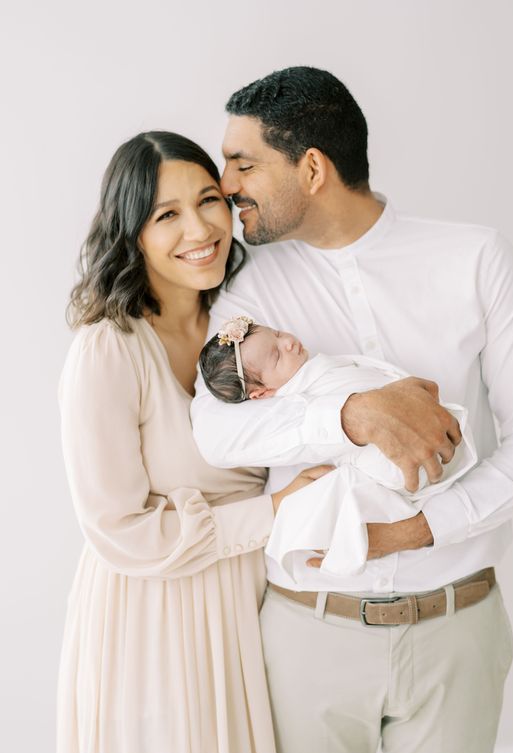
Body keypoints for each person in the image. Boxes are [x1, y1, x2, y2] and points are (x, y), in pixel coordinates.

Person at [191, 67, 513, 753]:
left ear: (311, 169)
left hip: (458, 634)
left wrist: (416, 530)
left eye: (243, 164)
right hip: (308, 637)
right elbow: (214, 430)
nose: (225, 185)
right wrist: (351, 414)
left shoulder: (475, 258)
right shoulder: (249, 289)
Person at [56, 130, 327, 753]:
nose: (200, 229)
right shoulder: (109, 348)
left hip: (246, 610)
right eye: (167, 215)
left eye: (209, 200)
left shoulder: (243, 329)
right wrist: (273, 514)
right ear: (132, 233)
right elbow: (117, 526)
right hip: (148, 618)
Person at [199, 317, 477, 581]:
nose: (288, 343)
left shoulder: (311, 369)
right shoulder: (293, 398)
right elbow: (213, 439)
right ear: (262, 394)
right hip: (388, 462)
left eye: (278, 333)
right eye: (276, 356)